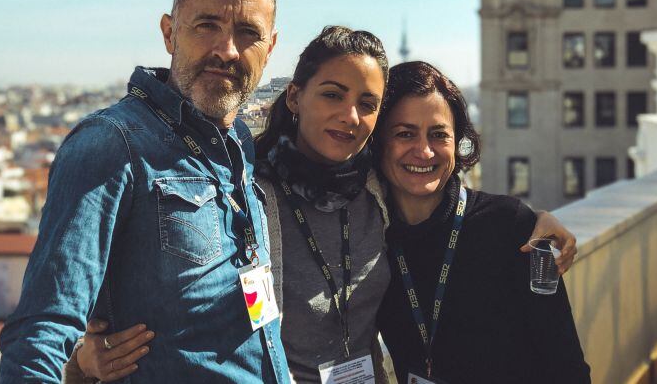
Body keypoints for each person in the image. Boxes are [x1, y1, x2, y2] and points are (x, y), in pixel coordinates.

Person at [68, 29, 580, 383]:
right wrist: (87, 355)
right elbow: (170, 277)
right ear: (295, 97)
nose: (350, 116)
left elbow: (453, 206)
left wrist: (534, 219)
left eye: (367, 104)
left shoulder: (375, 196)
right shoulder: (244, 194)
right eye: (332, 95)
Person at [0, 0, 292, 383]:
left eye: (248, 32)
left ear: (269, 49)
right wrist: (79, 362)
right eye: (206, 24)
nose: (227, 49)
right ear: (169, 33)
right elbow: (40, 333)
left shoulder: (238, 146)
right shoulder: (111, 144)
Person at [374, 61, 591, 383]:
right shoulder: (369, 237)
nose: (424, 151)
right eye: (405, 134)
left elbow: (567, 364)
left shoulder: (514, 227)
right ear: (378, 141)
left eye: (439, 135)